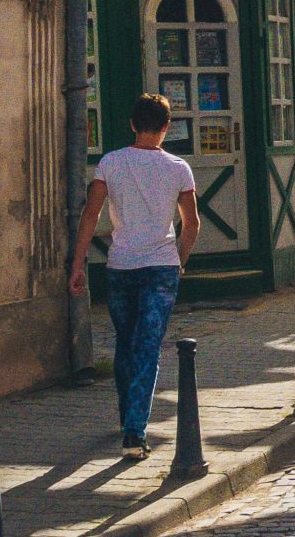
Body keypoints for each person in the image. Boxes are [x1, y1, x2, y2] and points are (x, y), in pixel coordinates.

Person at [71, 95, 200, 461]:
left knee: (126, 345)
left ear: (132, 124)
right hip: (160, 267)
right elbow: (191, 224)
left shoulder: (110, 163)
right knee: (147, 347)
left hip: (121, 266)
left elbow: (91, 214)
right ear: (165, 127)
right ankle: (134, 431)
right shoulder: (178, 168)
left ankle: (129, 419)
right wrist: (180, 261)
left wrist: (78, 263)